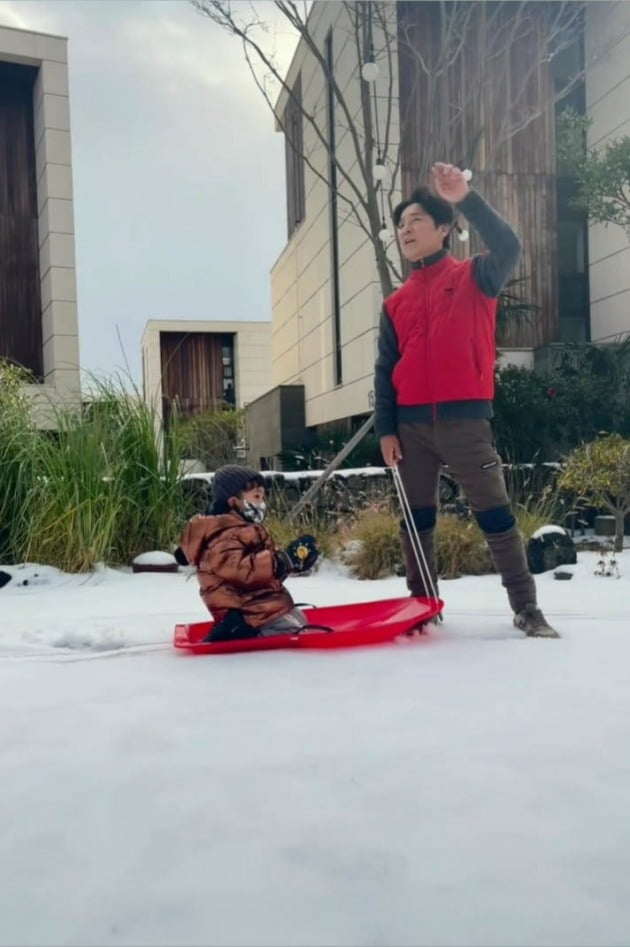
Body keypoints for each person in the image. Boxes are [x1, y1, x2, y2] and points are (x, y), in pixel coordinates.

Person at [374, 162, 559, 638]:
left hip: (465, 424)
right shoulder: (395, 303)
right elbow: (384, 370)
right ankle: (423, 607)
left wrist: (465, 197)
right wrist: (386, 430)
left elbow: (511, 245)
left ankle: (527, 609)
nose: (405, 230)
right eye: (400, 225)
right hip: (410, 430)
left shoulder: (477, 276)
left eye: (415, 220)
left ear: (443, 228)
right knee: (416, 521)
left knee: (495, 514)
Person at [175, 465, 318, 642]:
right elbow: (241, 570)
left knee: (297, 619)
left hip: (259, 606)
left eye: (263, 497)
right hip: (246, 612)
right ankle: (235, 634)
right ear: (233, 501)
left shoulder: (243, 529)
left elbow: (259, 578)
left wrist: (292, 563)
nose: (262, 503)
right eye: (256, 497)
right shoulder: (223, 536)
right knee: (293, 631)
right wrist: (281, 562)